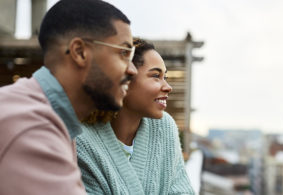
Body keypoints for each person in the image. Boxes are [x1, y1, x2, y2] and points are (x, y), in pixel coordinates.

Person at [0, 0, 136, 194]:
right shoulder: (32, 129)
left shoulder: (51, 119)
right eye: (123, 53)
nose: (132, 70)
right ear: (79, 52)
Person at [77, 39, 194, 194]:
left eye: (164, 77)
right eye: (155, 76)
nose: (167, 87)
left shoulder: (164, 127)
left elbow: (182, 190)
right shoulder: (81, 142)